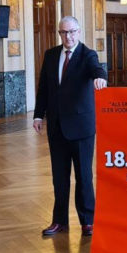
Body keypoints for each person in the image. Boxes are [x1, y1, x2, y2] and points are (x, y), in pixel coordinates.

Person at [33, 16, 108, 237]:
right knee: (59, 177)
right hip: (56, 126)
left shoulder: (88, 54)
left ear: (79, 31)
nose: (68, 36)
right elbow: (44, 89)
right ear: (59, 34)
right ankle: (59, 221)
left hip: (81, 127)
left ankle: (88, 221)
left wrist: (101, 79)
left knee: (83, 176)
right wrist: (38, 115)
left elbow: (98, 70)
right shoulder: (50, 55)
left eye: (72, 32)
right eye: (64, 33)